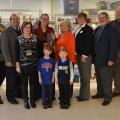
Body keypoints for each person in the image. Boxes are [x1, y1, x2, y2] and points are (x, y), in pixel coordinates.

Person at [92, 12, 118, 106]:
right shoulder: (98, 29)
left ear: (107, 19)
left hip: (107, 60)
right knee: (99, 78)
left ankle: (108, 97)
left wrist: (111, 59)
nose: (101, 19)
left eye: (103, 18)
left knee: (106, 79)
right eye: (100, 18)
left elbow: (113, 46)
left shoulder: (112, 29)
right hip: (97, 59)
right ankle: (100, 93)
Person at [33, 13, 56, 100]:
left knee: (49, 73)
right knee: (39, 74)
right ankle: (39, 94)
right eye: (43, 18)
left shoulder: (51, 30)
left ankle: (50, 94)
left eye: (47, 19)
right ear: (40, 19)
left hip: (50, 54)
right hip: (39, 55)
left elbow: (53, 42)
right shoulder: (35, 30)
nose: (45, 20)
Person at [16, 22, 38, 109]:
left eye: (29, 27)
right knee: (24, 83)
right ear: (22, 28)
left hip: (33, 64)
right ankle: (26, 100)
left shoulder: (35, 38)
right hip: (23, 64)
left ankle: (32, 100)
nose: (27, 29)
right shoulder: (18, 39)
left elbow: (38, 51)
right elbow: (16, 52)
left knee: (32, 83)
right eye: (25, 27)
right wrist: (17, 65)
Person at [0, 14, 20, 104]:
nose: (16, 20)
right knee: (10, 79)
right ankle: (10, 97)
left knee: (15, 78)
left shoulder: (19, 31)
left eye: (17, 19)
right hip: (10, 61)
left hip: (18, 60)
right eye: (14, 19)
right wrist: (7, 60)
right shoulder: (5, 31)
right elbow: (4, 47)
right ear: (10, 20)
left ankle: (15, 93)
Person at [75, 12, 94, 101]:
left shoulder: (88, 29)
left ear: (85, 19)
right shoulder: (78, 28)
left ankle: (85, 96)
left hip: (84, 56)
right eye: (78, 18)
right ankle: (82, 94)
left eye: (82, 18)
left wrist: (84, 55)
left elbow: (89, 43)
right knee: (82, 76)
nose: (80, 20)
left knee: (85, 77)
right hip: (78, 55)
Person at [55, 19, 76, 97]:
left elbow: (71, 49)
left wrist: (69, 61)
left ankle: (68, 95)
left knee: (68, 79)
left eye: (65, 25)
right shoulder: (60, 36)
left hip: (67, 61)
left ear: (68, 26)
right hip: (59, 61)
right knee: (61, 78)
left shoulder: (70, 35)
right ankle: (62, 94)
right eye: (61, 25)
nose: (63, 27)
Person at [38, 43, 55, 109]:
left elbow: (53, 70)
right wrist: (39, 78)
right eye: (45, 51)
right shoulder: (41, 60)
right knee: (44, 92)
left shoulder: (52, 60)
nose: (46, 52)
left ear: (50, 52)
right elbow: (39, 70)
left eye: (48, 51)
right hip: (43, 79)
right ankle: (44, 103)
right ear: (43, 51)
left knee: (50, 92)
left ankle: (49, 103)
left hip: (50, 79)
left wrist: (53, 78)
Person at [110, 7, 120, 97]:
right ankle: (117, 89)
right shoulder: (111, 24)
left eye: (119, 12)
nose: (118, 13)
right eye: (117, 12)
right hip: (116, 51)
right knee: (116, 71)